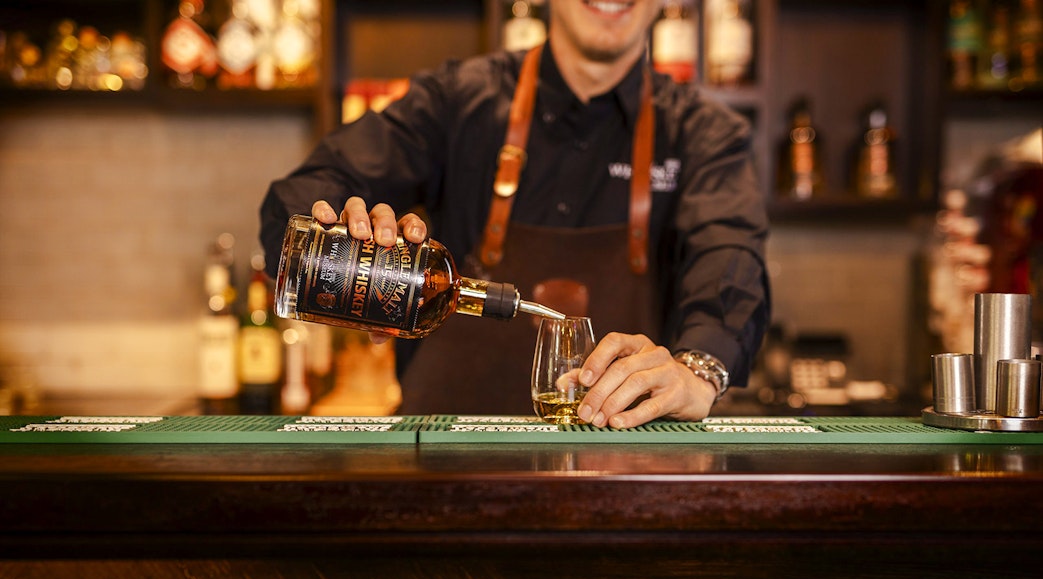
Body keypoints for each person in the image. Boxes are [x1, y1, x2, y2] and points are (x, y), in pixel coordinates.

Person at [260, 0, 770, 427]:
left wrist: (698, 372)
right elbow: (305, 190)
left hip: (624, 481)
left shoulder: (706, 135)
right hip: (445, 475)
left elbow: (730, 259)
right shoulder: (456, 100)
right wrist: (338, 241)